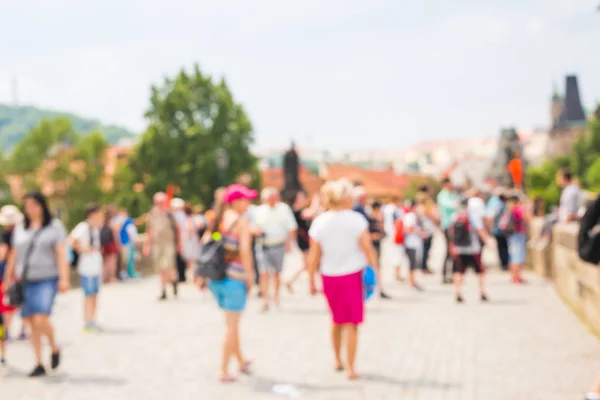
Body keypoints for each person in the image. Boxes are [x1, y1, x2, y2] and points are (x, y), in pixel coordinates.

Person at [307, 179, 380, 380]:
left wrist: (310, 280)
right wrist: (375, 269)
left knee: (336, 319)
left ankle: (337, 359)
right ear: (346, 198)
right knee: (352, 322)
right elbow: (367, 248)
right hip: (352, 274)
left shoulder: (320, 221)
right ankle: (351, 367)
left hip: (329, 275)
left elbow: (314, 255)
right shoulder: (356, 219)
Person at [2, 192, 70, 377]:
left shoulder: (54, 227)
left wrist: (64, 278)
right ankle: (39, 361)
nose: (30, 209)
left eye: (34, 205)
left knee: (40, 317)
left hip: (47, 277)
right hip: (26, 279)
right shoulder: (21, 227)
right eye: (27, 206)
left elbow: (60, 254)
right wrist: (7, 278)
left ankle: (54, 347)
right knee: (31, 322)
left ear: (42, 206)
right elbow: (14, 254)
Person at [197, 184, 256, 382]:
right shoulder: (241, 222)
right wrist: (250, 276)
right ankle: (223, 370)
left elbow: (206, 242)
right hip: (234, 278)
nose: (248, 202)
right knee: (232, 327)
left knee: (232, 324)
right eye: (246, 199)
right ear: (236, 201)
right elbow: (245, 251)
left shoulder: (217, 219)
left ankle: (240, 361)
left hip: (216, 278)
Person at [252, 187, 297, 312]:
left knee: (277, 273)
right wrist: (257, 231)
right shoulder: (258, 211)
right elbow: (252, 227)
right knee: (264, 273)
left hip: (279, 244)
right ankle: (265, 299)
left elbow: (292, 227)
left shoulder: (284, 209)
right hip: (263, 245)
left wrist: (289, 242)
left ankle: (276, 298)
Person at [69, 203, 104, 332]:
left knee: (94, 294)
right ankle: (87, 321)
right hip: (86, 266)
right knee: (88, 295)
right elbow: (71, 241)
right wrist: (84, 249)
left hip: (95, 265)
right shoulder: (83, 227)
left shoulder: (95, 228)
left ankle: (92, 320)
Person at [449, 197, 490, 303]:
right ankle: (482, 293)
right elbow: (480, 230)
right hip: (473, 249)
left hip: (459, 249)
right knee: (480, 271)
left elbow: (451, 233)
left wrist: (452, 246)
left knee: (459, 271)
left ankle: (458, 293)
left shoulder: (455, 216)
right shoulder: (472, 216)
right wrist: (488, 242)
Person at [143, 192, 180, 300]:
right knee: (160, 268)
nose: (159, 204)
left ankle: (173, 281)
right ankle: (163, 290)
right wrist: (147, 245)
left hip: (168, 243)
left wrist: (179, 244)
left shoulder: (169, 213)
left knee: (169, 266)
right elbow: (149, 230)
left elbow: (177, 229)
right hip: (157, 244)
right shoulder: (152, 213)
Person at [285, 191, 320, 293]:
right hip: (303, 240)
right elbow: (312, 213)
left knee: (307, 264)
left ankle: (292, 281)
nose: (304, 199)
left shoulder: (300, 210)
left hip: (305, 239)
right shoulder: (296, 211)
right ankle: (308, 284)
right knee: (309, 262)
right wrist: (316, 201)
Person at [437, 178, 460, 284]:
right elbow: (452, 206)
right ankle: (445, 275)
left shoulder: (452, 194)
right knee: (449, 250)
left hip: (455, 225)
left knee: (455, 251)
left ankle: (454, 273)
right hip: (448, 226)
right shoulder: (443, 196)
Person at [504, 192, 527, 284]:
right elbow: (527, 218)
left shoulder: (510, 209)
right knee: (518, 256)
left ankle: (514, 276)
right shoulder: (518, 209)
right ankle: (517, 276)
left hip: (511, 235)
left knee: (513, 255)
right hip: (518, 234)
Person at [402, 200, 425, 291]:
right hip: (411, 243)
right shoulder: (410, 216)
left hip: (413, 243)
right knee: (412, 263)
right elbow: (407, 229)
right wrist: (418, 232)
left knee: (413, 263)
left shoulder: (412, 216)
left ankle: (412, 280)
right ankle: (412, 281)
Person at [487, 188, 509, 271]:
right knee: (504, 246)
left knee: (501, 247)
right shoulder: (505, 206)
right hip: (502, 229)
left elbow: (491, 217)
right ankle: (505, 263)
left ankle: (503, 263)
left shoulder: (498, 205)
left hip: (498, 229)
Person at [117, 208, 139, 279]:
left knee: (128, 259)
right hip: (126, 243)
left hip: (127, 242)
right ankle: (128, 273)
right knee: (127, 259)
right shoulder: (125, 223)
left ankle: (128, 273)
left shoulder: (126, 222)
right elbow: (132, 233)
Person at [100, 205, 120, 283]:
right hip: (111, 244)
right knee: (112, 261)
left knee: (105, 262)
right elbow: (115, 234)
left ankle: (104, 278)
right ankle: (112, 278)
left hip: (104, 244)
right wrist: (118, 244)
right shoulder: (112, 222)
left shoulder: (102, 222)